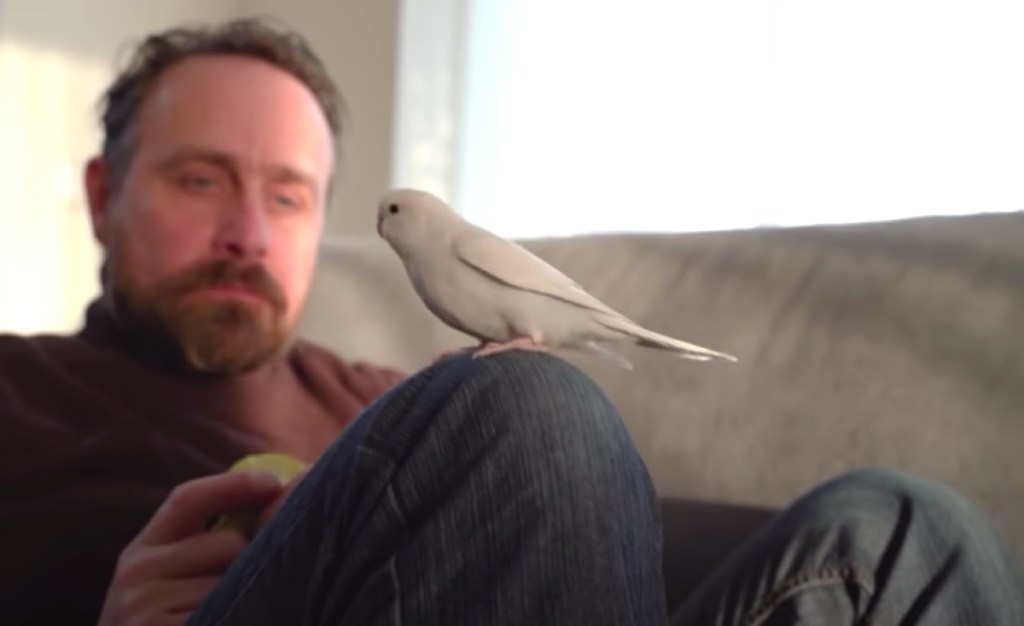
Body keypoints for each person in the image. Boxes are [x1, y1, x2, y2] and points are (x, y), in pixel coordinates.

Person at [0, 17, 1021, 626]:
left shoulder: (391, 402)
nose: (246, 232)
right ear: (101, 194)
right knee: (529, 402)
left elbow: (610, 536)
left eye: (289, 194)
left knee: (894, 534)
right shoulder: (19, 392)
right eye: (200, 178)